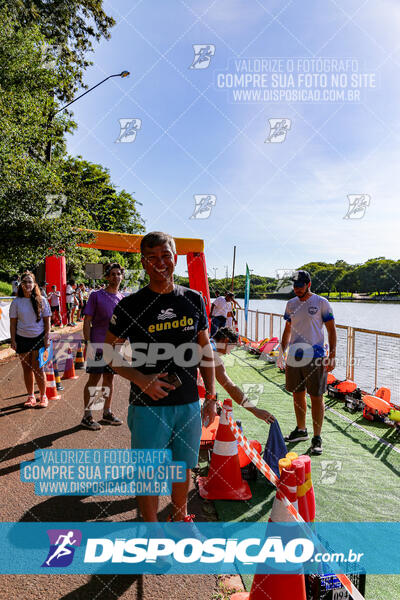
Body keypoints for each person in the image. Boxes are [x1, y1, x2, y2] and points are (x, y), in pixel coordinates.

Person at [104, 231, 216, 523]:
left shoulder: (193, 299)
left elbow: (205, 349)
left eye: (165, 256)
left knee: (183, 467)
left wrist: (212, 397)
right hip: (147, 406)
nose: (159, 263)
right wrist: (142, 380)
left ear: (175, 259)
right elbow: (108, 353)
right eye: (151, 257)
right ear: (143, 263)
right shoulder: (131, 304)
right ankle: (152, 530)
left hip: (188, 402)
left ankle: (180, 518)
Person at [280, 270, 336, 455]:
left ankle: (317, 437)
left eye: (300, 286)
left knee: (316, 397)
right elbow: (287, 330)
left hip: (316, 356)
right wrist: (282, 352)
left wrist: (333, 354)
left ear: (309, 284)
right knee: (297, 394)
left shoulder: (321, 303)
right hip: (294, 356)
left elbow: (331, 330)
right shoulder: (291, 304)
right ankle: (301, 430)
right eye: (294, 286)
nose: (296, 289)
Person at [81, 263, 125, 430]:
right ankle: (87, 415)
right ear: (107, 277)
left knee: (109, 379)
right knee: (94, 379)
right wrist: (88, 343)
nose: (115, 277)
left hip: (114, 348)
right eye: (112, 274)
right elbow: (87, 321)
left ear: (121, 276)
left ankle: (106, 412)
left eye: (118, 274)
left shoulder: (121, 298)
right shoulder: (96, 295)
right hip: (97, 345)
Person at [212, 327, 275, 424]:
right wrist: (255, 410)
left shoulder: (206, 342)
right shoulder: (214, 356)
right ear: (226, 340)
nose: (228, 353)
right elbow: (230, 387)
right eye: (231, 348)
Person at [9, 271, 51, 408]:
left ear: (34, 284)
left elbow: (47, 322)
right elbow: (13, 323)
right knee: (27, 369)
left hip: (39, 338)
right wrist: (13, 340)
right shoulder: (16, 302)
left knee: (39, 368)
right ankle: (31, 396)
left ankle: (43, 396)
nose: (27, 284)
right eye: (24, 282)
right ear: (20, 285)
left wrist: (46, 338)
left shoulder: (42, 300)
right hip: (22, 339)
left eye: (30, 282)